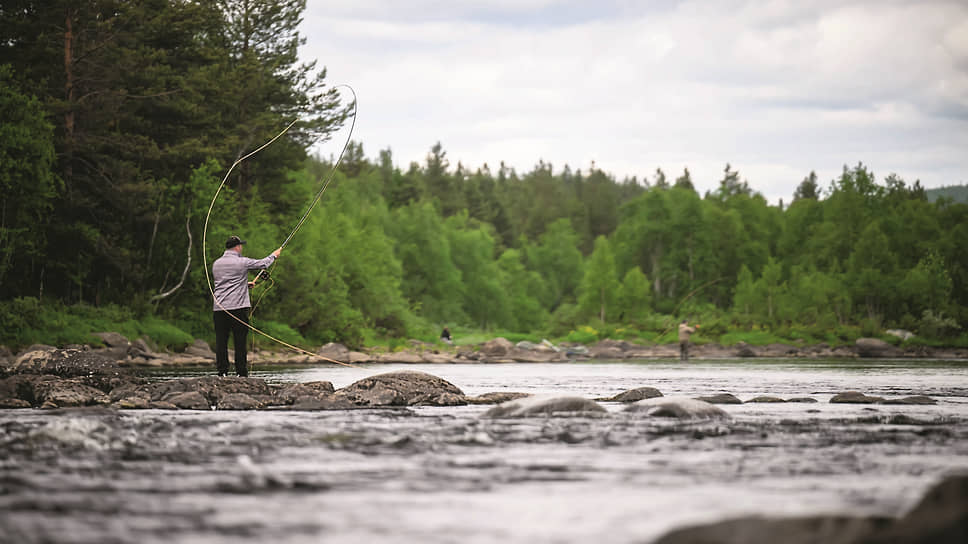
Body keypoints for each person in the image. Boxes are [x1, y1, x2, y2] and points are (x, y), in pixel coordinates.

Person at [212, 235, 281, 377]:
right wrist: (274, 255)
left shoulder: (216, 264)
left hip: (219, 309)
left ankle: (222, 372)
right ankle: (241, 373)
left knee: (221, 341)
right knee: (240, 341)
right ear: (237, 247)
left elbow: (226, 282)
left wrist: (244, 284)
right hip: (238, 308)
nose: (241, 248)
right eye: (240, 246)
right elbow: (263, 264)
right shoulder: (242, 262)